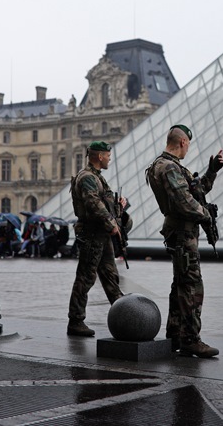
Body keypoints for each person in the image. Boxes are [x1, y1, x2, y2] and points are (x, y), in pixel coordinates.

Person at [145, 124, 223, 358]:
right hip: (182, 234)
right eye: (188, 144)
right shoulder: (169, 167)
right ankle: (190, 339)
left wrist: (211, 171)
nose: (188, 148)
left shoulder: (167, 166)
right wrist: (206, 215)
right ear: (183, 142)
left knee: (180, 284)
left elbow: (195, 192)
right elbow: (185, 203)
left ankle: (175, 334)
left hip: (179, 232)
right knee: (191, 284)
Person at [66, 141, 126, 337]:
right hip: (92, 234)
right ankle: (76, 320)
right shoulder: (87, 178)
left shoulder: (97, 177)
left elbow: (102, 204)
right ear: (100, 156)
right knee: (85, 277)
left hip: (101, 234)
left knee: (110, 275)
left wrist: (119, 207)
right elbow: (93, 203)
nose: (110, 158)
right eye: (108, 155)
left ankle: (125, 313)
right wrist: (112, 224)